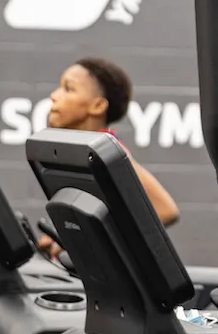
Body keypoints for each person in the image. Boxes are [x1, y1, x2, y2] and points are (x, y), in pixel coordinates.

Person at [37, 57, 180, 260]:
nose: (54, 96)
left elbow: (166, 210)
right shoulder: (78, 150)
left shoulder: (108, 153)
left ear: (97, 106)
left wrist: (96, 243)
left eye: (68, 89)